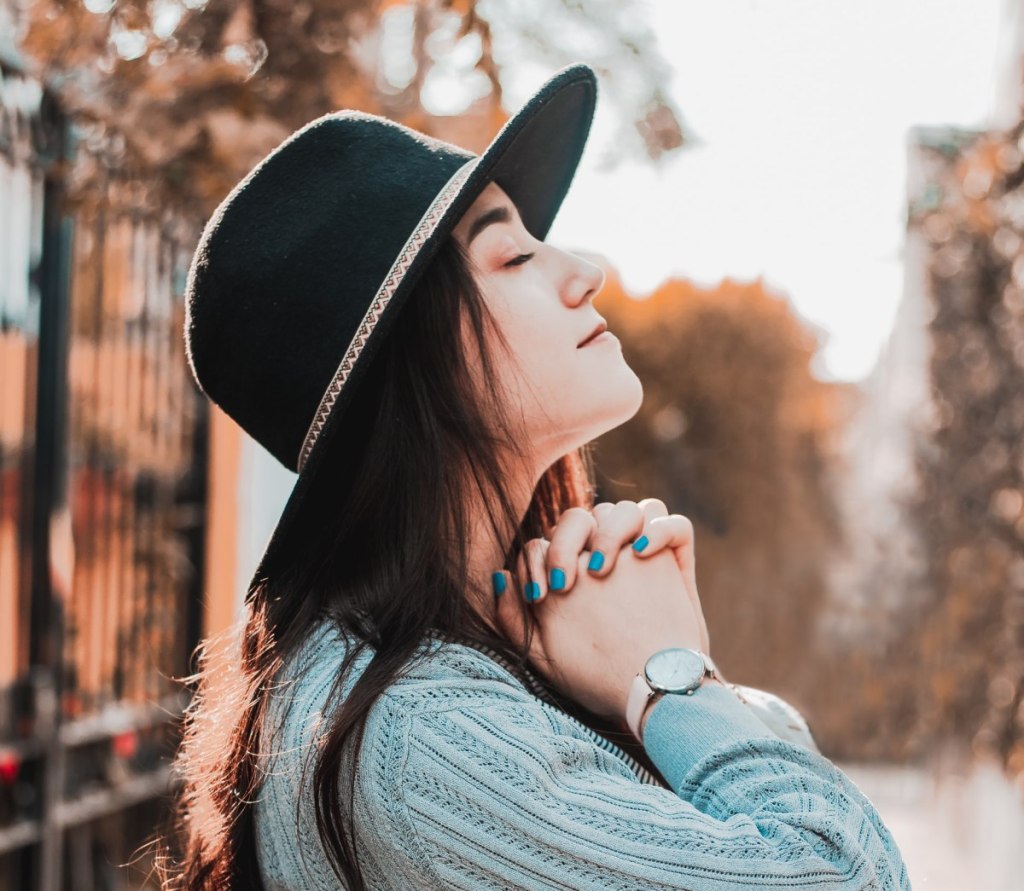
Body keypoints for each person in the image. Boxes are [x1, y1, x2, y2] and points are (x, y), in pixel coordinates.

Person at [157, 63, 911, 890]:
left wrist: (636, 686)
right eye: (513, 255)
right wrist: (671, 677)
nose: (584, 267)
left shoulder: (438, 683)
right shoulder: (421, 740)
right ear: (416, 363)